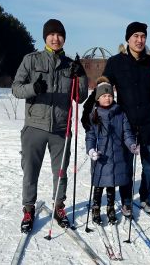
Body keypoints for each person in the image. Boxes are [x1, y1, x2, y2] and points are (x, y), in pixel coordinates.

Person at [12, 19, 88, 233]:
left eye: (59, 35)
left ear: (64, 38)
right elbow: (16, 88)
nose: (55, 38)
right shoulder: (31, 60)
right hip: (34, 126)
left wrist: (79, 76)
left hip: (61, 128)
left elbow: (80, 98)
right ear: (45, 37)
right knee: (30, 170)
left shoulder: (71, 65)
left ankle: (59, 206)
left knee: (61, 172)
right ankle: (28, 208)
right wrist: (33, 88)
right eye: (51, 34)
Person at [102, 21, 150, 216]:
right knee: (127, 167)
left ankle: (146, 197)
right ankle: (127, 200)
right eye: (136, 36)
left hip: (149, 122)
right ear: (128, 39)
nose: (139, 40)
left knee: (148, 167)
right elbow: (103, 88)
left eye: (143, 36)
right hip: (126, 123)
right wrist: (94, 111)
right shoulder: (115, 62)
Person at [85, 77, 139, 224]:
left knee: (111, 184)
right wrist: (90, 150)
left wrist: (132, 145)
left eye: (109, 95)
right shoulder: (94, 115)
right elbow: (90, 135)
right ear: (98, 98)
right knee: (98, 184)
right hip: (101, 156)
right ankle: (96, 207)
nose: (107, 98)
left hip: (116, 156)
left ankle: (110, 207)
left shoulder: (120, 114)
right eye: (104, 96)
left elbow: (127, 133)